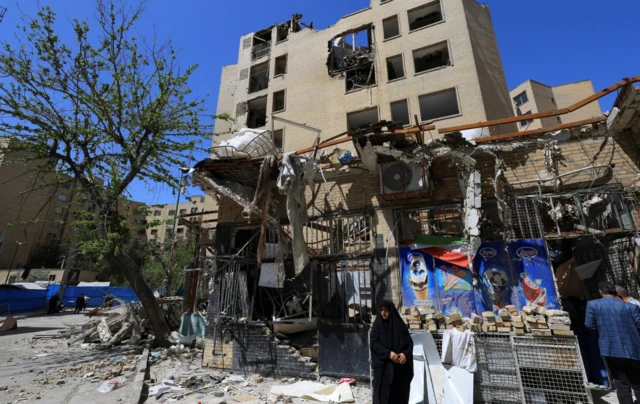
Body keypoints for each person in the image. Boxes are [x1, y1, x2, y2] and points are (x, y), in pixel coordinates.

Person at [585, 281, 640, 404]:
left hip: (610, 349)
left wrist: (602, 337)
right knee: (637, 382)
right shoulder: (631, 307)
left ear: (601, 292)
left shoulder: (593, 305)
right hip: (634, 349)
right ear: (615, 292)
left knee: (621, 384)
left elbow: (589, 325)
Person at [370, 300, 413, 404]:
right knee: (383, 396)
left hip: (399, 370)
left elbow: (409, 343)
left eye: (386, 310)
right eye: (381, 310)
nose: (383, 313)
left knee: (399, 396)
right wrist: (388, 354)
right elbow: (374, 343)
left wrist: (405, 355)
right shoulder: (378, 326)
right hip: (384, 369)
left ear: (391, 311)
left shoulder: (400, 325)